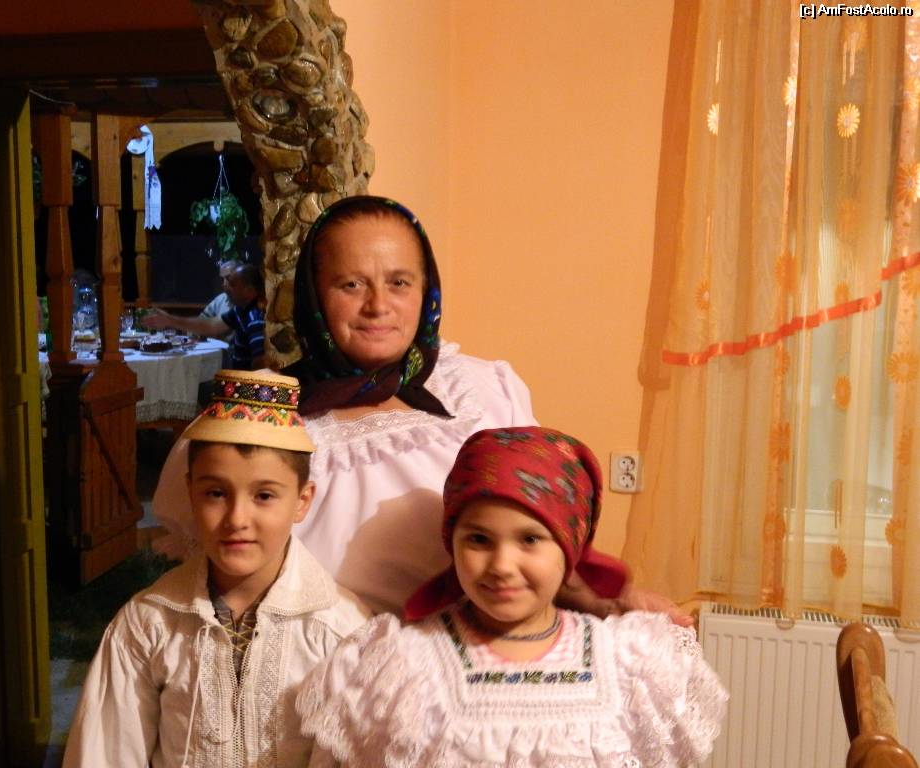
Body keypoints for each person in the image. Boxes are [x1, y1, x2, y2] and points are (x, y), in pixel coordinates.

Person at [153, 195, 691, 621]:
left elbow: (535, 539)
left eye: (399, 283)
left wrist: (612, 602)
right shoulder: (259, 414)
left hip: (465, 686)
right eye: (350, 284)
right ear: (313, 295)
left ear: (425, 291)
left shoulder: (482, 393)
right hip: (314, 695)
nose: (378, 305)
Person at [297, 427, 727, 768]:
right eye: (479, 540)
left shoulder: (632, 667)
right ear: (452, 542)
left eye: (530, 540)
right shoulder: (403, 669)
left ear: (571, 548)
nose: (502, 565)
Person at [57, 370, 369, 768]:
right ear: (191, 492)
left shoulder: (342, 631)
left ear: (302, 501)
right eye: (216, 494)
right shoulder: (149, 623)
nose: (237, 519)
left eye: (264, 496)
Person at [144, 262, 266, 368]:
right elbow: (211, 325)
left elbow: (260, 363)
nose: (226, 288)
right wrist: (170, 320)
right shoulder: (240, 310)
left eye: (233, 285)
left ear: (249, 291)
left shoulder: (255, 318)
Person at [200, 260, 238, 343]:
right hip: (218, 348)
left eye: (228, 278)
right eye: (222, 279)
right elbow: (201, 320)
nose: (224, 284)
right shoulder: (221, 298)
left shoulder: (248, 302)